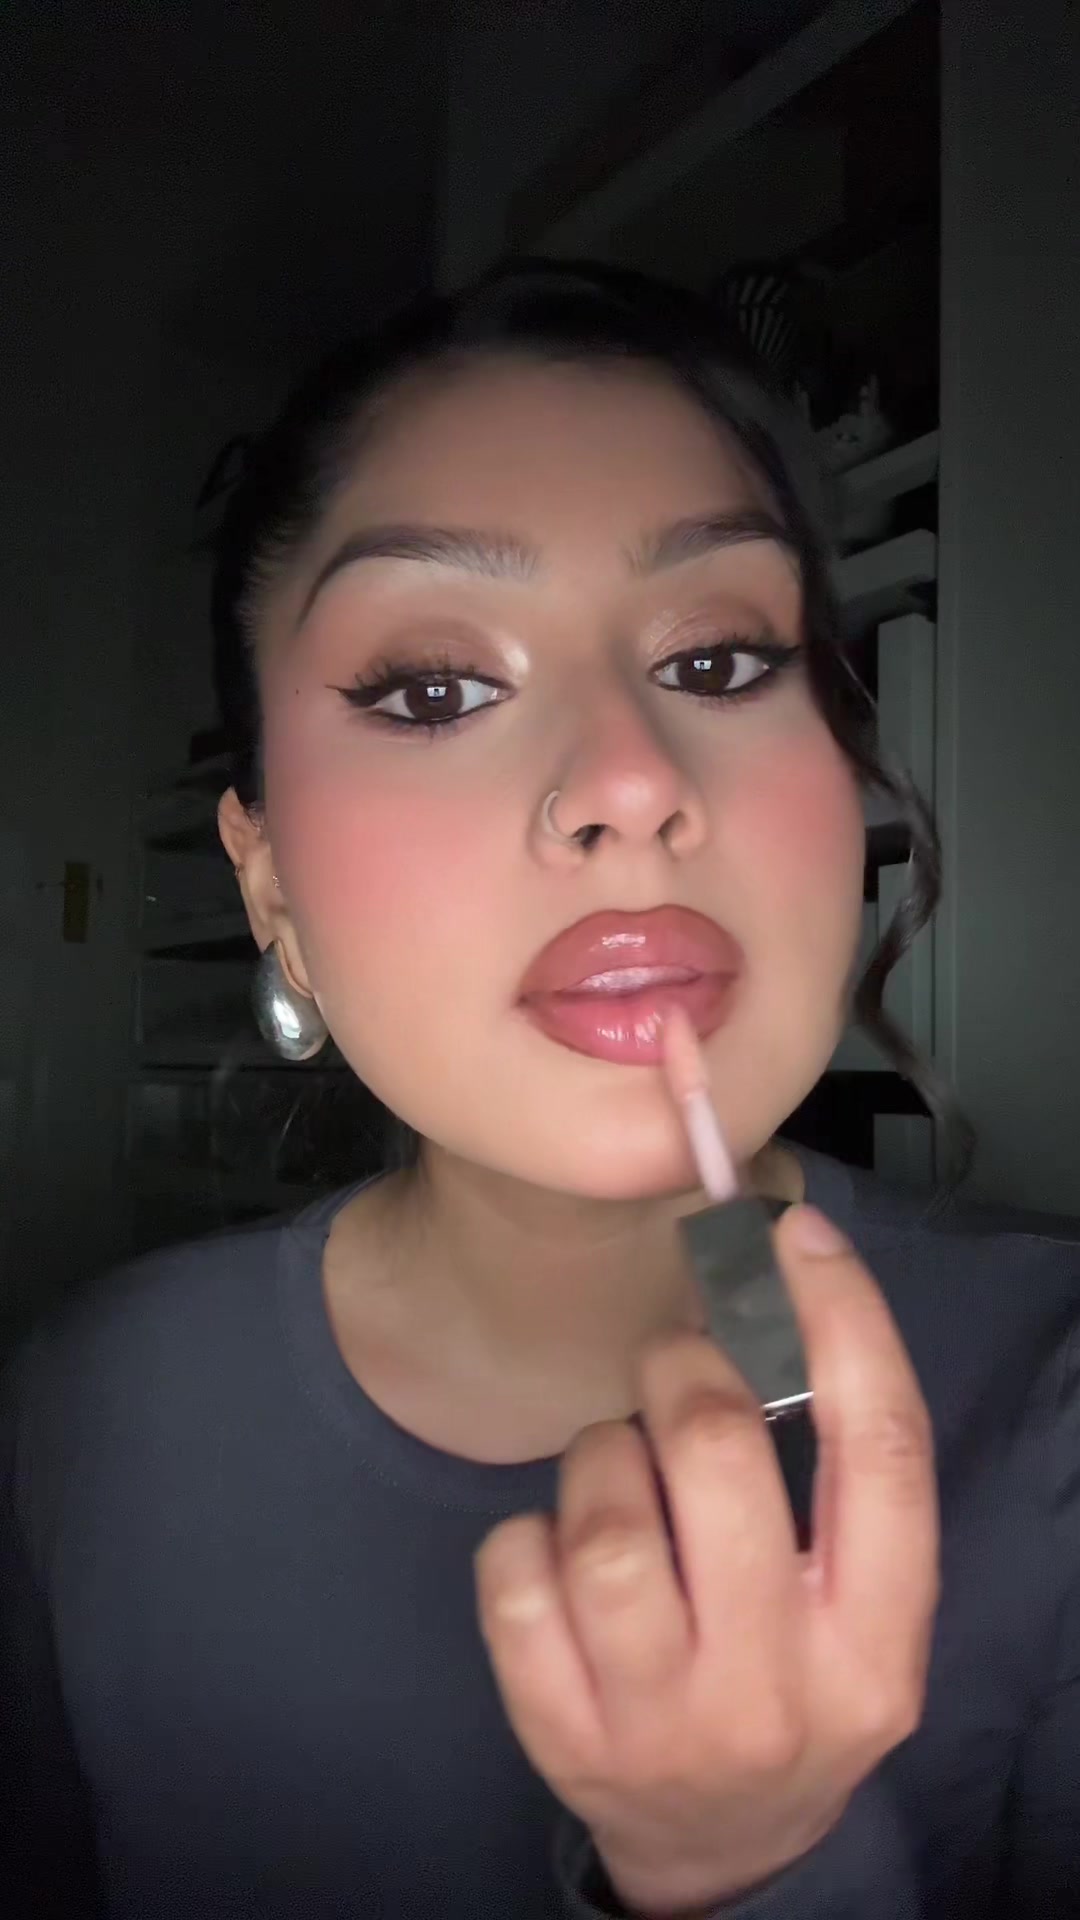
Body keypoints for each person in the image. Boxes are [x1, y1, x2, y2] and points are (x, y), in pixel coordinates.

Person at [2, 261, 1078, 1920]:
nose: (631, 782)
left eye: (719, 659)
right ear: (268, 879)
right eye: (434, 689)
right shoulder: (83, 1418)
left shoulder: (1055, 1396)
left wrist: (756, 1869)